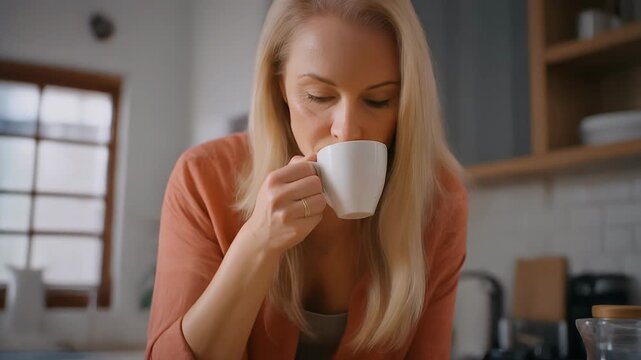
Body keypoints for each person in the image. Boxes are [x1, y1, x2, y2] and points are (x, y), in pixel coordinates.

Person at [145, 0, 468, 359]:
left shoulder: (439, 201)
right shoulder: (203, 179)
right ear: (279, 85)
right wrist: (258, 243)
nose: (347, 130)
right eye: (318, 96)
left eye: (379, 100)